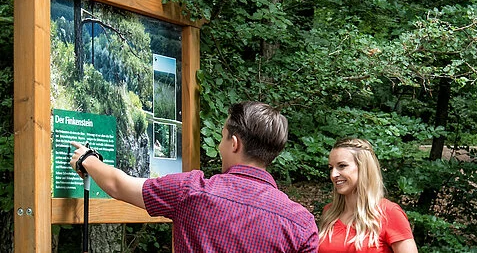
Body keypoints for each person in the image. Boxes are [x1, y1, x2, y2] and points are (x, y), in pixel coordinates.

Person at [70, 101, 319, 253]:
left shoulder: (192, 191)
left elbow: (118, 185)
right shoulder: (301, 223)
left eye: (222, 138)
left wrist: (87, 158)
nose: (220, 147)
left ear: (234, 143)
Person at [318, 138, 418, 253]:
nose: (333, 174)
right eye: (331, 168)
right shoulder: (329, 213)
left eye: (342, 166)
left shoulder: (388, 213)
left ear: (363, 168)